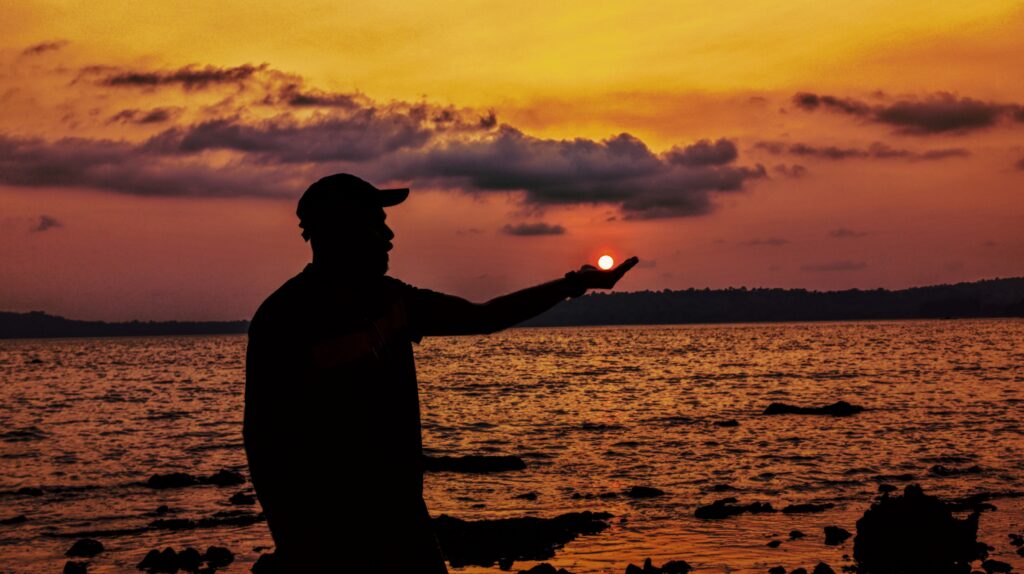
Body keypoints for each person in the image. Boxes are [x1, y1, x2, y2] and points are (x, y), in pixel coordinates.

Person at [242, 173, 638, 572]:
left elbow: (484, 316)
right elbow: (264, 440)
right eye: (377, 223)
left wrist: (573, 284)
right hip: (327, 535)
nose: (389, 235)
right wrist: (293, 539)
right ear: (342, 227)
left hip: (401, 522)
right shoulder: (284, 318)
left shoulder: (392, 298)